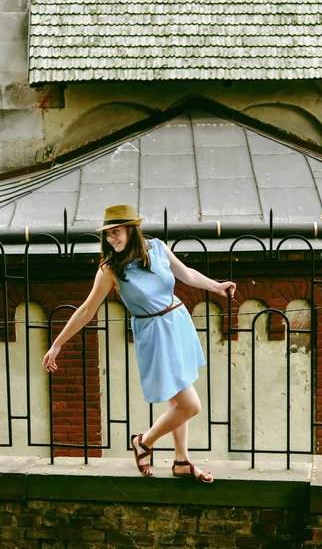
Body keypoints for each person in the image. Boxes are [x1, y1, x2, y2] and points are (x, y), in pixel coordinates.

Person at [42, 204, 236, 483]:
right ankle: (144, 441)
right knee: (190, 404)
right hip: (154, 333)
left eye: (117, 232)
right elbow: (86, 310)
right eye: (108, 234)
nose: (112, 239)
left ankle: (181, 461)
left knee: (177, 399)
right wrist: (57, 344)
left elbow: (186, 274)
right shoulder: (110, 270)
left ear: (132, 230)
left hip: (177, 322)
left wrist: (217, 286)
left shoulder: (156, 247)